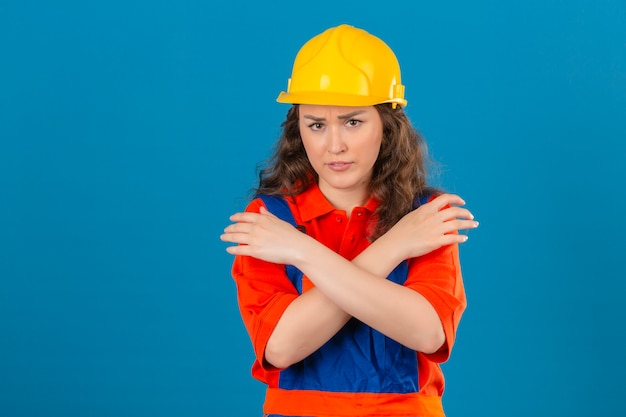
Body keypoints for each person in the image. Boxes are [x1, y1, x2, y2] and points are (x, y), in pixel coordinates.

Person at [220, 24, 478, 417]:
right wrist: (394, 246)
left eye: (353, 122)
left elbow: (427, 333)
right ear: (298, 129)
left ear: (387, 127)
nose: (334, 145)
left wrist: (300, 251)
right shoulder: (269, 222)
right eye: (317, 124)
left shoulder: (425, 216)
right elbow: (283, 346)